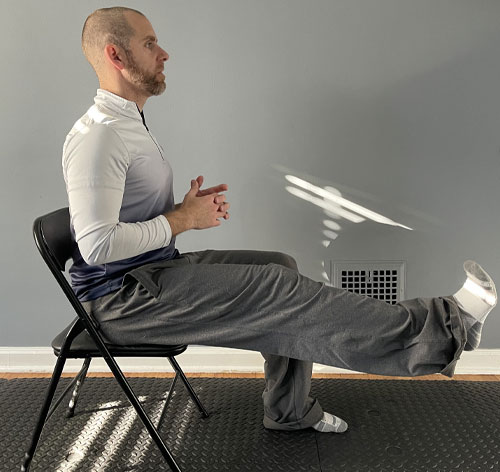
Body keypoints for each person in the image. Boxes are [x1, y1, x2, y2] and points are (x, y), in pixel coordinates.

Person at [63, 6, 497, 434]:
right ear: (115, 56)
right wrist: (181, 220)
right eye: (150, 43)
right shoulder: (100, 135)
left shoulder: (128, 123)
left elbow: (124, 216)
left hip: (152, 271)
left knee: (281, 263)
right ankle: (447, 324)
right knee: (277, 288)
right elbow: (97, 247)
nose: (165, 53)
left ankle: (289, 411)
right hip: (118, 302)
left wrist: (185, 208)